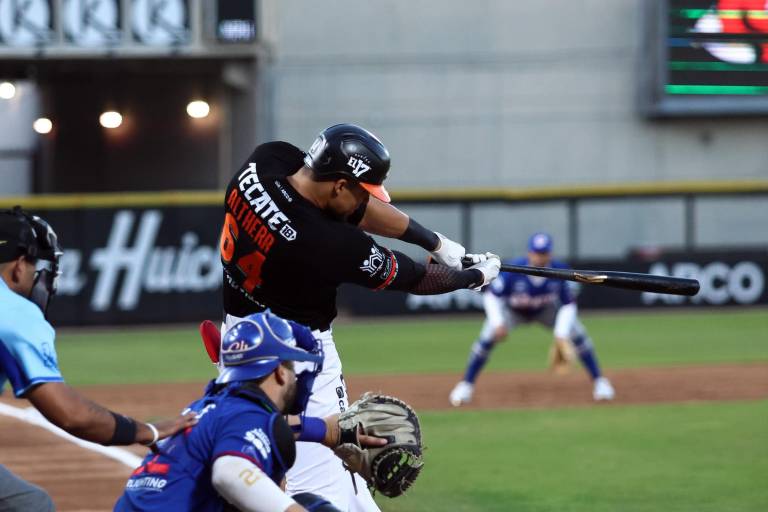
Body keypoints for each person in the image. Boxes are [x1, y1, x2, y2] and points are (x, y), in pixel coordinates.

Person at [219, 123, 501, 510]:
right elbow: (415, 277)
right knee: (329, 487)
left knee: (263, 464)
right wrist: (473, 276)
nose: (363, 203)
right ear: (337, 185)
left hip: (239, 340)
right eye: (359, 192)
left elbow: (359, 209)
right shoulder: (327, 243)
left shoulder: (265, 161)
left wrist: (435, 242)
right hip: (298, 359)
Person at [0, 207, 197, 511]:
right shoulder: (13, 312)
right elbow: (71, 415)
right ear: (18, 265)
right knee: (30, 507)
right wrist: (149, 431)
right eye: (35, 266)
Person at [115, 311, 357, 512]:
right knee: (312, 507)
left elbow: (267, 431)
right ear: (280, 372)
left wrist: (325, 430)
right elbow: (229, 473)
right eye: (292, 366)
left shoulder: (211, 406)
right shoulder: (247, 415)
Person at [449, 232, 615, 406]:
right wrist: (498, 323)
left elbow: (568, 304)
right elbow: (492, 297)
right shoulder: (515, 270)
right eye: (537, 252)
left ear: (550, 253)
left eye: (544, 253)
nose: (540, 257)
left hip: (545, 310)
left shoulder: (559, 271)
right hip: (513, 312)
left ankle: (600, 382)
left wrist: (561, 333)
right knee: (486, 338)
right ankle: (465, 385)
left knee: (578, 334)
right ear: (529, 253)